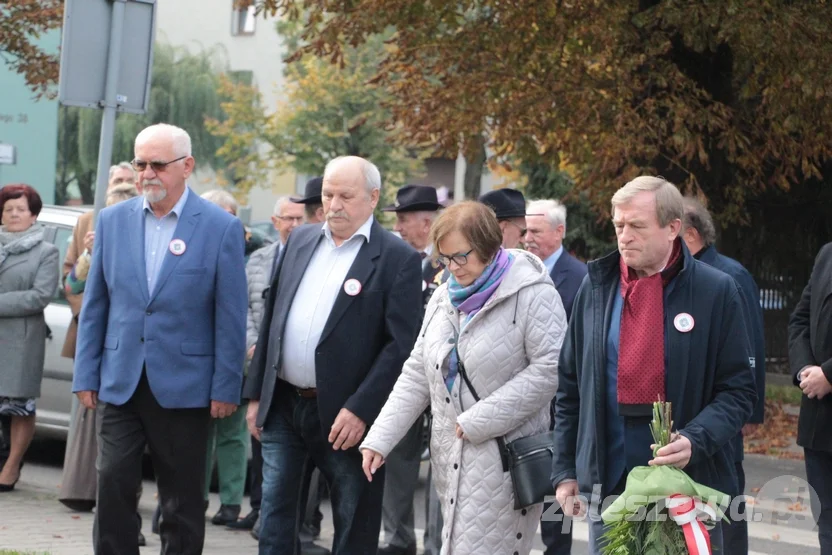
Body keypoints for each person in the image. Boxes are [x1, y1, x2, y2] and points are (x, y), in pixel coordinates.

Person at [552, 176, 757, 554]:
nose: (624, 236)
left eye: (637, 226)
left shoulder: (717, 291)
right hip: (609, 483)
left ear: (673, 228)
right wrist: (565, 470)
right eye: (618, 226)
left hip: (687, 484)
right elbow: (570, 388)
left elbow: (739, 391)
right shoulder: (596, 289)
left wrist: (696, 438)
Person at [72, 123, 248, 555]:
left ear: (186, 166)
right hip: (121, 378)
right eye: (140, 164)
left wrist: (227, 385)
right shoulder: (112, 222)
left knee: (182, 499)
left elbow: (230, 315)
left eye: (157, 164)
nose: (147, 173)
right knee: (112, 481)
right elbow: (96, 304)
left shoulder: (219, 228)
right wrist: (85, 373)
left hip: (186, 387)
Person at [361, 200, 566, 554]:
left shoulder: (534, 293)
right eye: (445, 258)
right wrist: (380, 437)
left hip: (504, 459)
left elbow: (551, 369)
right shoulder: (444, 296)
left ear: (489, 246)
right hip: (450, 452)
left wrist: (480, 420)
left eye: (461, 257)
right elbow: (417, 370)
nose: (452, 268)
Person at [243, 155, 422, 554]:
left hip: (347, 417)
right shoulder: (302, 240)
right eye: (327, 194)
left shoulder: (397, 259)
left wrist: (362, 408)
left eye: (345, 195)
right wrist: (257, 394)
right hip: (285, 404)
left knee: (353, 519)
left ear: (373, 198)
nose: (334, 204)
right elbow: (274, 320)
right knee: (274, 516)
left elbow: (400, 347)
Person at [682, 196, 766, 553]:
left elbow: (751, 348)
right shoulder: (681, 277)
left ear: (688, 233)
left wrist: (751, 413)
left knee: (727, 505)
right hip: (694, 418)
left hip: (724, 412)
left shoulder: (729, 276)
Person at [378, 184, 444, 555]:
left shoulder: (447, 263)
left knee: (440, 467)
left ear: (426, 221)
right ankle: (398, 538)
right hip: (401, 379)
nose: (399, 227)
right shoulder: (397, 260)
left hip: (439, 379)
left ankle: (436, 543)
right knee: (398, 460)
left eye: (404, 219)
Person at [235, 195, 305, 538]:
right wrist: (253, 345)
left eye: (298, 218)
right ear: (275, 222)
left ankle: (281, 518)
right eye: (286, 218)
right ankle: (259, 507)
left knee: (281, 438)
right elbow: (243, 306)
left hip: (290, 365)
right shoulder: (258, 260)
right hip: (257, 361)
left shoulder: (311, 257)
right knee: (258, 433)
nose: (293, 224)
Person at [0, 184, 60, 492]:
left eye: (20, 209)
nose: (13, 214)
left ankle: (11, 467)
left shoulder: (46, 251)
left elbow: (39, 296)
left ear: (33, 214)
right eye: (8, 208)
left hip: (21, 342)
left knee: (19, 407)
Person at [788, 243, 832, 554]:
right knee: (827, 523)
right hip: (821, 424)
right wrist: (805, 369)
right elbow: (800, 320)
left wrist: (829, 374)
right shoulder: (827, 254)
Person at [525, 199, 587, 320]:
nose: (527, 239)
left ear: (558, 232)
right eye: (525, 231)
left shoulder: (582, 278)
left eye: (535, 232)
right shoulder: (515, 270)